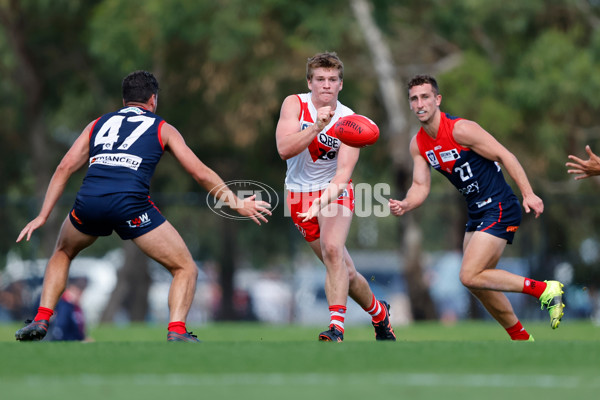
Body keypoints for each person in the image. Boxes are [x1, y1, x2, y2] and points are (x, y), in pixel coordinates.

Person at [15, 70, 271, 343]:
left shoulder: (97, 124)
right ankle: (177, 331)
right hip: (130, 206)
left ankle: (42, 319)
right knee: (185, 268)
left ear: (124, 100)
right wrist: (236, 202)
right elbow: (200, 173)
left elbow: (64, 167)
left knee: (63, 252)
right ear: (153, 99)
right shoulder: (162, 127)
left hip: (90, 201)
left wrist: (43, 214)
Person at [388, 74, 564, 340]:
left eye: (425, 97)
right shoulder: (419, 144)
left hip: (500, 205)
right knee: (479, 282)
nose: (419, 103)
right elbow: (420, 186)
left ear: (437, 100)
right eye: (414, 98)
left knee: (469, 274)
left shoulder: (461, 130)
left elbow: (506, 155)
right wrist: (406, 203)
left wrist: (528, 193)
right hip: (477, 213)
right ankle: (521, 337)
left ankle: (544, 290)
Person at [275, 51, 395, 342]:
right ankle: (380, 314)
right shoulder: (295, 104)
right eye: (320, 79)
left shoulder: (349, 120)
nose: (326, 85)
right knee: (346, 272)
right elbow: (284, 149)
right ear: (309, 82)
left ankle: (336, 328)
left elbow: (343, 175)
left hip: (333, 192)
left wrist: (321, 201)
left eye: (332, 79)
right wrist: (316, 126)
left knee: (332, 250)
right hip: (298, 196)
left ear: (341, 84)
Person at [45, 277, 90, 341]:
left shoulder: (76, 308)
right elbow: (60, 330)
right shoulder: (62, 305)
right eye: (75, 291)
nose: (78, 295)